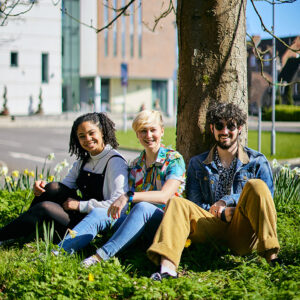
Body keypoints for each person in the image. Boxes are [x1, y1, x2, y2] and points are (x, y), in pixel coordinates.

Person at [147, 102, 280, 281]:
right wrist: (220, 214)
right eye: (219, 126)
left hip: (244, 230)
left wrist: (228, 202)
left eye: (231, 126)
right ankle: (167, 269)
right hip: (210, 226)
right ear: (212, 128)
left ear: (240, 128)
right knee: (176, 203)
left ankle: (273, 259)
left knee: (256, 185)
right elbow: (195, 205)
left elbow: (266, 201)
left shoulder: (257, 161)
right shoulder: (197, 164)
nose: (225, 131)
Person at [57, 110, 186, 267]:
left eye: (153, 130)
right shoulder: (136, 165)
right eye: (143, 131)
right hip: (136, 223)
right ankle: (59, 252)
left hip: (165, 224)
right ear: (137, 135)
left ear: (162, 131)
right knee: (100, 212)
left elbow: (165, 196)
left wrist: (129, 196)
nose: (148, 135)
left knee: (143, 207)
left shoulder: (173, 159)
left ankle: (98, 258)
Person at [0, 112, 128, 244]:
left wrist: (80, 205)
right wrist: (42, 187)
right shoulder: (85, 160)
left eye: (92, 133)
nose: (88, 139)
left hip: (98, 221)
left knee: (45, 207)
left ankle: (9, 235)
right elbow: (62, 187)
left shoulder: (114, 162)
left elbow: (119, 205)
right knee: (51, 188)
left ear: (102, 132)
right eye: (82, 136)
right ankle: (21, 230)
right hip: (82, 213)